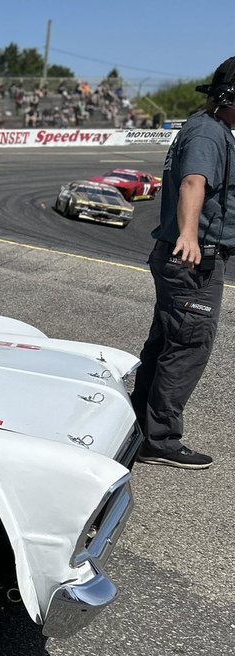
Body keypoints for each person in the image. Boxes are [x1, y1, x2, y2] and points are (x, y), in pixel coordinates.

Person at [131, 56, 235, 470]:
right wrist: (189, 235)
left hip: (188, 256)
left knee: (167, 341)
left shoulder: (207, 127)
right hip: (194, 259)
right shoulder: (210, 135)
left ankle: (138, 426)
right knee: (189, 344)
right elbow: (194, 181)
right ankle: (159, 439)